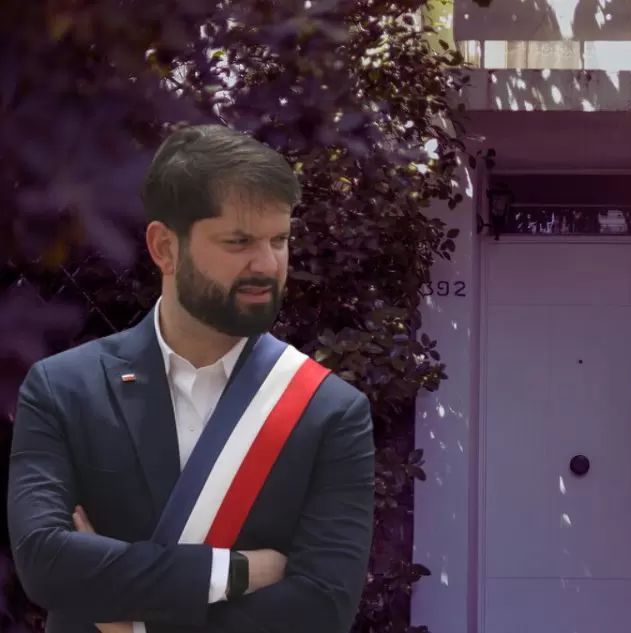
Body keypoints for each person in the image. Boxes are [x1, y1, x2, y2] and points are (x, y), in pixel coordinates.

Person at [7, 124, 376, 633]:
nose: (267, 264)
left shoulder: (329, 410)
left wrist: (132, 624)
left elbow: (322, 608)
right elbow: (45, 563)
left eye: (279, 240)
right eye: (239, 241)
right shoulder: (63, 388)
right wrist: (235, 571)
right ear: (165, 247)